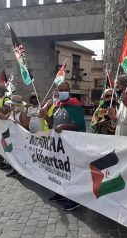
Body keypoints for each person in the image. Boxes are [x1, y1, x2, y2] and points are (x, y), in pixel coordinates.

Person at [40, 81, 86, 211]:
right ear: (57, 92)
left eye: (66, 89)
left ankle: (74, 199)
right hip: (58, 147)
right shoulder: (57, 107)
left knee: (71, 172)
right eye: (61, 90)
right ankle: (60, 193)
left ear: (69, 91)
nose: (63, 92)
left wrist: (65, 126)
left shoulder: (76, 108)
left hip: (71, 147)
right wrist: (45, 117)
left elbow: (79, 125)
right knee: (60, 171)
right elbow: (52, 125)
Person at [0, 95, 29, 178]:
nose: (12, 106)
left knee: (20, 155)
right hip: (12, 138)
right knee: (14, 154)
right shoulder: (12, 113)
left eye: (13, 105)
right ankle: (15, 169)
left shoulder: (22, 113)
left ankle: (21, 172)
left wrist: (18, 123)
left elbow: (27, 125)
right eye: (11, 105)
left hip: (20, 138)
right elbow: (4, 119)